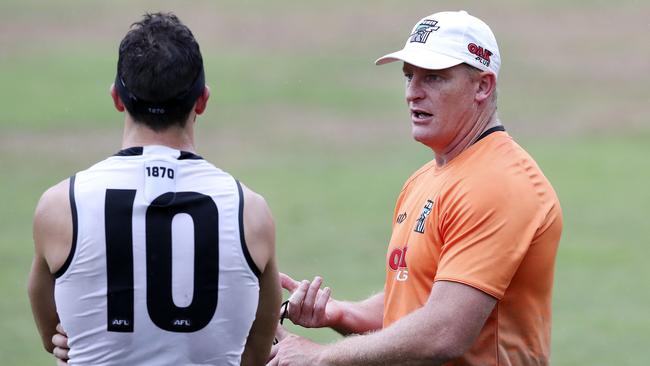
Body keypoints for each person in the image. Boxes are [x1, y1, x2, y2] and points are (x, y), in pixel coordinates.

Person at [269, 10, 562, 366]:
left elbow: (444, 332)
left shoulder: (499, 183)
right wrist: (341, 313)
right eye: (409, 76)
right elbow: (415, 303)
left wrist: (320, 358)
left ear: (483, 86)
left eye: (434, 78)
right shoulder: (424, 179)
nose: (412, 93)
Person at [28, 12, 281, 366]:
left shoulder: (59, 207)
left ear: (117, 97)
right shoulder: (251, 212)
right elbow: (255, 354)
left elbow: (54, 336)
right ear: (203, 101)